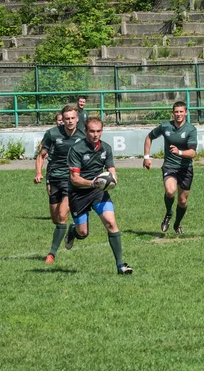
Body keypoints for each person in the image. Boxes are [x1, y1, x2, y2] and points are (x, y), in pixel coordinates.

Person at [64, 116, 133, 275]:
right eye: (92, 131)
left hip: (98, 192)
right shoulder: (77, 149)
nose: (96, 135)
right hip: (78, 193)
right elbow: (74, 179)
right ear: (86, 131)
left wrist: (113, 179)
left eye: (99, 131)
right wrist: (93, 183)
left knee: (110, 222)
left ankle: (120, 265)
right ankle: (73, 231)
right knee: (83, 233)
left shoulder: (106, 148)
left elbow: (112, 170)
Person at [34, 105, 85, 264]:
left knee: (62, 215)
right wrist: (39, 173)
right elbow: (41, 155)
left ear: (77, 118)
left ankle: (51, 254)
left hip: (71, 179)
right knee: (56, 219)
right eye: (67, 118)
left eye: (72, 118)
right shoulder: (52, 134)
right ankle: (70, 229)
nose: (70, 121)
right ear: (62, 120)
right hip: (54, 177)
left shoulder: (83, 135)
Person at [143, 101, 198, 234]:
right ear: (173, 113)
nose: (178, 114)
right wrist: (146, 157)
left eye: (181, 111)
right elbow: (149, 137)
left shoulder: (191, 129)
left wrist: (179, 152)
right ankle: (168, 214)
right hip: (170, 166)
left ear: (186, 112)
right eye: (176, 112)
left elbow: (192, 153)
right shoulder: (165, 127)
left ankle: (177, 224)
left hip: (185, 168)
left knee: (182, 201)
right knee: (170, 191)